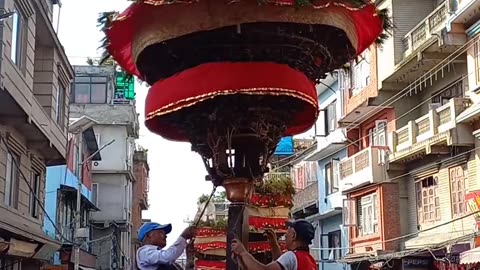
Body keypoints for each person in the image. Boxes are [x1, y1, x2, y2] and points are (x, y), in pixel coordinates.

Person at [231, 219, 317, 270]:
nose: (285, 235)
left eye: (288, 232)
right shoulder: (310, 260)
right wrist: (273, 243)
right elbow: (280, 263)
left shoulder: (291, 256)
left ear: (294, 235)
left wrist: (243, 252)